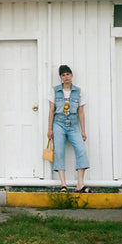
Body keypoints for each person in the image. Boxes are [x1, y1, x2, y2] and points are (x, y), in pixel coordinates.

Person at [47, 65, 90, 193]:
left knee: (81, 150)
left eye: (68, 74)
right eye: (63, 75)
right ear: (60, 77)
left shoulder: (78, 91)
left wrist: (83, 131)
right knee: (59, 152)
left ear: (72, 75)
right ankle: (63, 185)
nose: (66, 77)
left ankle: (80, 184)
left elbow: (81, 112)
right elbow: (51, 110)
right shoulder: (55, 91)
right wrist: (50, 129)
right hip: (58, 123)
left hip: (73, 124)